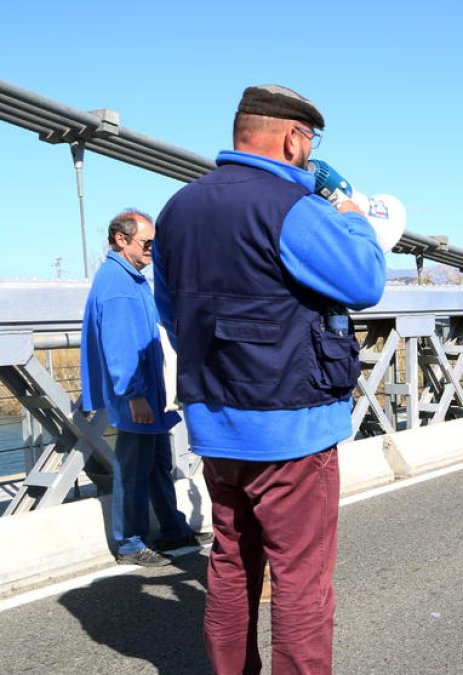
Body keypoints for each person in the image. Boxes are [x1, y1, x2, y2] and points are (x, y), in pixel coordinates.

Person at [154, 85, 387, 673]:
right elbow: (364, 282)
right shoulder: (292, 207)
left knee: (231, 565)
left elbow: (170, 312)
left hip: (214, 424)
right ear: (293, 137)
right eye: (310, 142)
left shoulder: (176, 210)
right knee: (301, 580)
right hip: (292, 430)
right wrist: (356, 219)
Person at [80, 209, 196, 567]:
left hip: (150, 395)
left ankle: (173, 529)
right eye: (147, 243)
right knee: (133, 469)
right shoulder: (118, 287)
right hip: (138, 397)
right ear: (120, 239)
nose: (152, 250)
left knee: (158, 464)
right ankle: (130, 542)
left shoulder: (130, 280)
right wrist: (134, 396)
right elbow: (120, 348)